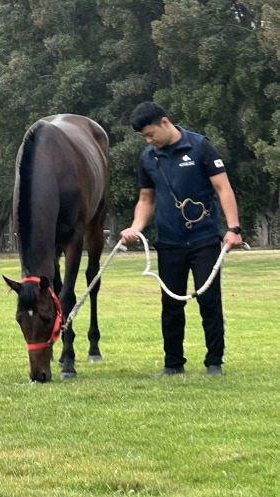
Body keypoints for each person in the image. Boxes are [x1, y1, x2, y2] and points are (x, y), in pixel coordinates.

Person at [120, 101, 243, 377]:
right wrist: (134, 228)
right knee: (171, 306)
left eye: (151, 134)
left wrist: (233, 228)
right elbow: (145, 199)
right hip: (169, 241)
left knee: (209, 301)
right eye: (144, 138)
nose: (149, 140)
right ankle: (173, 364)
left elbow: (223, 188)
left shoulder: (200, 147)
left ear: (165, 122)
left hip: (204, 239)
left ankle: (214, 362)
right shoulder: (148, 158)